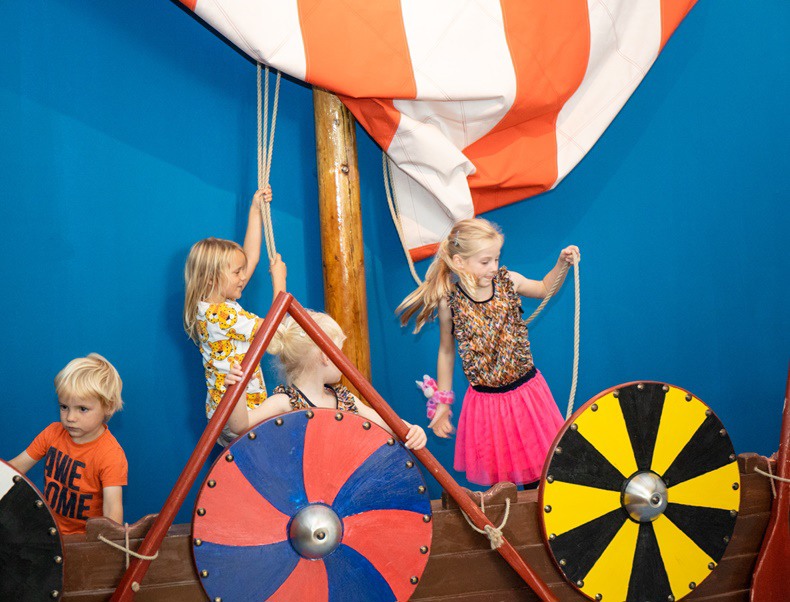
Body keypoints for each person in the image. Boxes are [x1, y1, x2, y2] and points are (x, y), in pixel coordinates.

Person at [397, 217, 579, 486]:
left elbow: (543, 288)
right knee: (502, 479)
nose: (494, 267)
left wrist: (561, 264)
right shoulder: (451, 303)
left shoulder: (509, 282)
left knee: (540, 471)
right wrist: (442, 402)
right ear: (459, 262)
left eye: (496, 259)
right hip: (488, 404)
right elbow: (446, 352)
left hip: (526, 396)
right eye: (485, 262)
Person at [223, 311, 427, 450]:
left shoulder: (346, 400)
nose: (344, 360)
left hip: (343, 488)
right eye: (340, 352)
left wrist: (411, 431)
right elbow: (240, 426)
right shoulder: (285, 402)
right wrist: (236, 391)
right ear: (325, 356)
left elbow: (388, 424)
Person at [183, 186, 287, 446]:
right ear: (212, 278)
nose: (243, 277)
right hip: (237, 415)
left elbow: (250, 257)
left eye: (242, 271)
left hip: (223, 412)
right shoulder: (221, 315)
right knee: (285, 403)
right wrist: (280, 281)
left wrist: (255, 210)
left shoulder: (208, 304)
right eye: (237, 273)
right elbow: (272, 329)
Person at [8, 354, 128, 535]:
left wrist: (110, 541)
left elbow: (112, 512)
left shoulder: (111, 455)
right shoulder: (52, 433)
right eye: (64, 407)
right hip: (47, 528)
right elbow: (15, 467)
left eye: (82, 409)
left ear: (108, 406)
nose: (70, 418)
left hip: (84, 540)